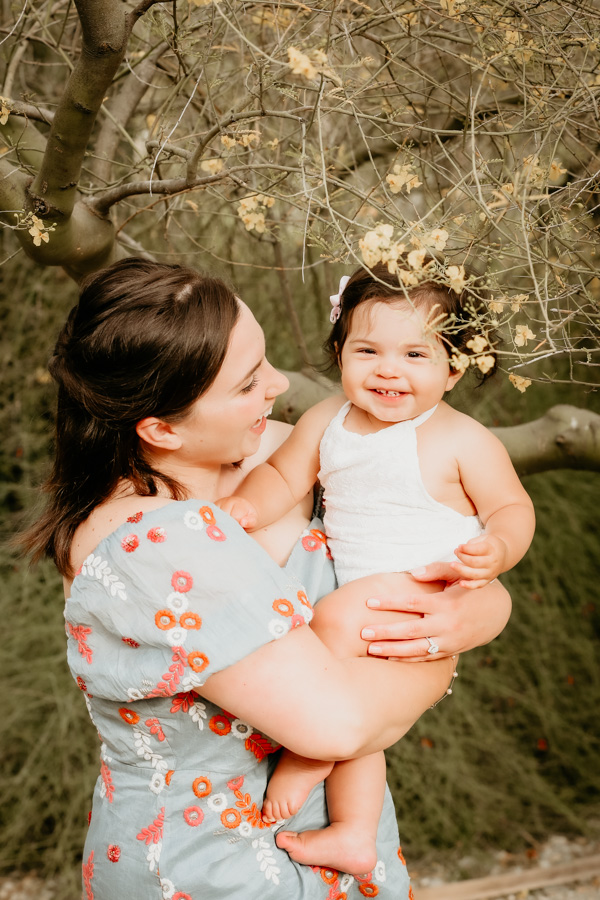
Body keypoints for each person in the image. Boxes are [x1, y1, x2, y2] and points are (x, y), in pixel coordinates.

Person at [22, 258, 512, 899]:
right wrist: (442, 648)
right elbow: (339, 724)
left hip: (346, 841)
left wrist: (483, 605)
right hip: (214, 868)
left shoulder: (293, 451)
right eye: (249, 381)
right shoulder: (149, 540)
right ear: (161, 428)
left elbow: (428, 540)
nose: (279, 383)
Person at [219, 259, 535, 874]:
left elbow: (511, 507)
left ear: (455, 368)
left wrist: (498, 548)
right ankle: (354, 831)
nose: (388, 370)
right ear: (339, 353)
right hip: (366, 602)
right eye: (367, 350)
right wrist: (246, 507)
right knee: (358, 711)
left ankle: (312, 752)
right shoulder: (327, 421)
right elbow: (283, 474)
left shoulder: (464, 439)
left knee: (332, 625)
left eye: (416, 355)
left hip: (423, 594)